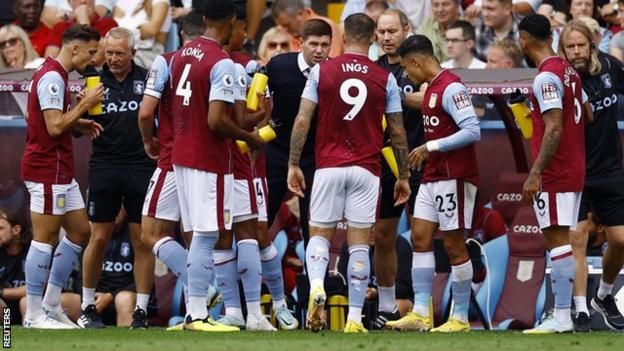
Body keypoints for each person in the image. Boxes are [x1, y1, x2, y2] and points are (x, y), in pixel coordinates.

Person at [288, 13, 411, 334]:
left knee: (319, 234)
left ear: (343, 35)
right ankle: (355, 318)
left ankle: (317, 285)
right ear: (372, 37)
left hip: (329, 165)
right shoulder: (385, 78)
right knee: (359, 244)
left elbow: (302, 120)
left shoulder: (320, 71)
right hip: (366, 169)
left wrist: (293, 164)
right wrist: (403, 175)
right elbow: (397, 133)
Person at [169, 0, 262, 332]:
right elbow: (216, 122)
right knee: (208, 234)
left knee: (198, 232)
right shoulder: (220, 61)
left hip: (181, 155)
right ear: (234, 19)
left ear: (204, 16)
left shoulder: (182, 54)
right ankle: (197, 314)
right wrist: (249, 138)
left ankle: (198, 311)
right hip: (208, 158)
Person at [386, 34, 481, 333]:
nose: (405, 75)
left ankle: (461, 318)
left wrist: (431, 147)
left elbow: (473, 130)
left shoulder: (452, 87)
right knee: (420, 238)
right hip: (432, 176)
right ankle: (420, 314)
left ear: (416, 61)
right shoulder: (431, 90)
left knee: (453, 244)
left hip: (454, 175)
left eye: (405, 68)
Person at [138, 11, 223, 332]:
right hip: (201, 158)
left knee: (150, 234)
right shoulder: (218, 60)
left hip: (172, 158)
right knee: (196, 235)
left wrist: (150, 141)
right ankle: (201, 307)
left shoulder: (167, 61)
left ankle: (202, 296)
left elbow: (146, 112)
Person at [21, 23, 104, 329]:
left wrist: (78, 123)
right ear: (75, 48)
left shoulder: (55, 74)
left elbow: (45, 120)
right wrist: (85, 104)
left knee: (81, 231)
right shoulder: (53, 77)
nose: (94, 59)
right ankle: (32, 314)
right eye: (92, 52)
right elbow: (54, 127)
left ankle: (52, 303)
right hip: (46, 169)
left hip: (60, 169)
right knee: (43, 239)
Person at [517, 13, 592, 334]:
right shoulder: (569, 73)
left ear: (523, 40)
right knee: (559, 238)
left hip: (556, 171)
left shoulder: (546, 77)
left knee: (556, 239)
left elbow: (555, 127)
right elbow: (587, 114)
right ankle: (561, 315)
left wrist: (535, 172)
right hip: (573, 167)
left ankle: (561, 317)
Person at [78, 27, 156, 330]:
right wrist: (82, 105)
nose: (112, 59)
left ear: (133, 53)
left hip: (141, 166)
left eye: (119, 53)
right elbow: (75, 127)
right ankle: (87, 305)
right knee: (98, 237)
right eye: (108, 53)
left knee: (142, 240)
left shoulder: (148, 79)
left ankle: (141, 311)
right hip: (104, 166)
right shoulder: (94, 81)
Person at [212, 6, 279, 332]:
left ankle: (269, 308)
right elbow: (239, 122)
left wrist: (256, 128)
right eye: (241, 29)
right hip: (216, 165)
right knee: (222, 237)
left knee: (254, 234)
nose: (244, 35)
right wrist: (251, 127)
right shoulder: (216, 64)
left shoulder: (252, 68)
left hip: (243, 166)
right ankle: (236, 311)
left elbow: (257, 122)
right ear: (230, 25)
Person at [559, 19, 624, 332]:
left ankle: (604, 295)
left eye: (580, 45)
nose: (575, 52)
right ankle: (581, 311)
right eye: (569, 47)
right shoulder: (560, 78)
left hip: (611, 168)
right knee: (577, 240)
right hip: (577, 171)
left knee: (621, 241)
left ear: (592, 43)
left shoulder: (611, 67)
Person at [371, 8, 425, 329]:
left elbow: (434, 95)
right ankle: (388, 306)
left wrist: (395, 98)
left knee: (421, 237)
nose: (387, 37)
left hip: (417, 160)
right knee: (383, 236)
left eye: (393, 31)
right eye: (382, 32)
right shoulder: (373, 70)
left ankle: (421, 307)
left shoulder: (416, 65)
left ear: (406, 29)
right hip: (382, 165)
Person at [264, 19, 333, 247]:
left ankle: (314, 281)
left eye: (325, 45)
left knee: (312, 227)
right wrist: (261, 133)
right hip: (276, 153)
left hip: (315, 158)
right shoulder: (278, 66)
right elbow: (257, 101)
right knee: (260, 223)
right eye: (314, 44)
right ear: (300, 43)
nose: (319, 50)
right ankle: (252, 281)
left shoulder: (334, 72)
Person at [337, 229, 414, 323]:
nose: (373, 231)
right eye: (369, 227)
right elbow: (342, 281)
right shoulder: (351, 244)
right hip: (358, 299)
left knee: (401, 303)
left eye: (376, 227)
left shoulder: (401, 245)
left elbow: (405, 287)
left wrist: (376, 292)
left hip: (392, 297)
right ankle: (353, 324)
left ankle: (384, 327)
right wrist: (358, 291)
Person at [45, 0, 118, 61]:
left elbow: (97, 57)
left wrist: (84, 22)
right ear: (69, 2)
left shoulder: (109, 24)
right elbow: (50, 60)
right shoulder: (60, 27)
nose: (83, 1)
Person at [271, 0, 343, 57]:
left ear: (300, 14)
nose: (284, 30)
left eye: (287, 25)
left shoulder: (326, 26)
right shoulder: (284, 31)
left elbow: (331, 61)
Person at [112, 0, 171, 68]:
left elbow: (151, 31)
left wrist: (123, 27)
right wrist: (138, 27)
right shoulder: (123, 2)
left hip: (150, 52)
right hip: (124, 48)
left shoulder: (160, 2)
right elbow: (114, 30)